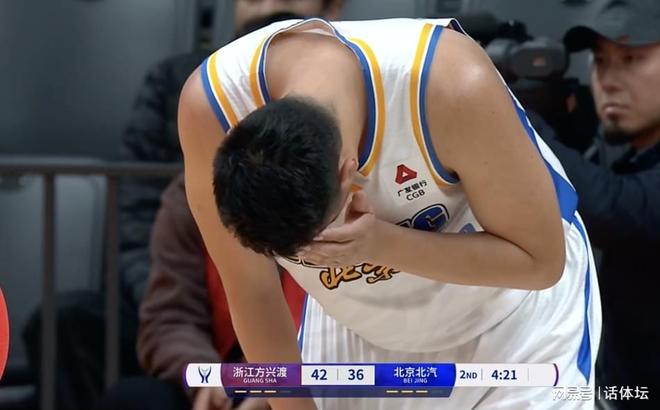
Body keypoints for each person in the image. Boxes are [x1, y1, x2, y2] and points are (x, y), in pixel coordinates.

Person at [178, 16, 602, 410]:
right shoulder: (210, 109)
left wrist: (380, 244)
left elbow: (539, 263)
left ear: (350, 173)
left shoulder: (450, 82)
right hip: (360, 326)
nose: (306, 259)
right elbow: (253, 292)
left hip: (511, 319)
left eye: (319, 244)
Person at [23, 2, 344, 410]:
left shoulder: (355, 192)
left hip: (318, 370)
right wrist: (211, 379)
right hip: (212, 356)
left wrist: (272, 385)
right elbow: (169, 312)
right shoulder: (187, 196)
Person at [531, 0, 660, 406]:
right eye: (601, 61)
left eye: (632, 59)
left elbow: (613, 209)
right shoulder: (630, 159)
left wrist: (513, 123)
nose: (609, 80)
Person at [95, 174, 305, 410]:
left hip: (310, 374)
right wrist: (208, 380)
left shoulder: (328, 194)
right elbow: (171, 319)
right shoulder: (189, 194)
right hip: (217, 375)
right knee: (134, 399)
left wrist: (280, 385)